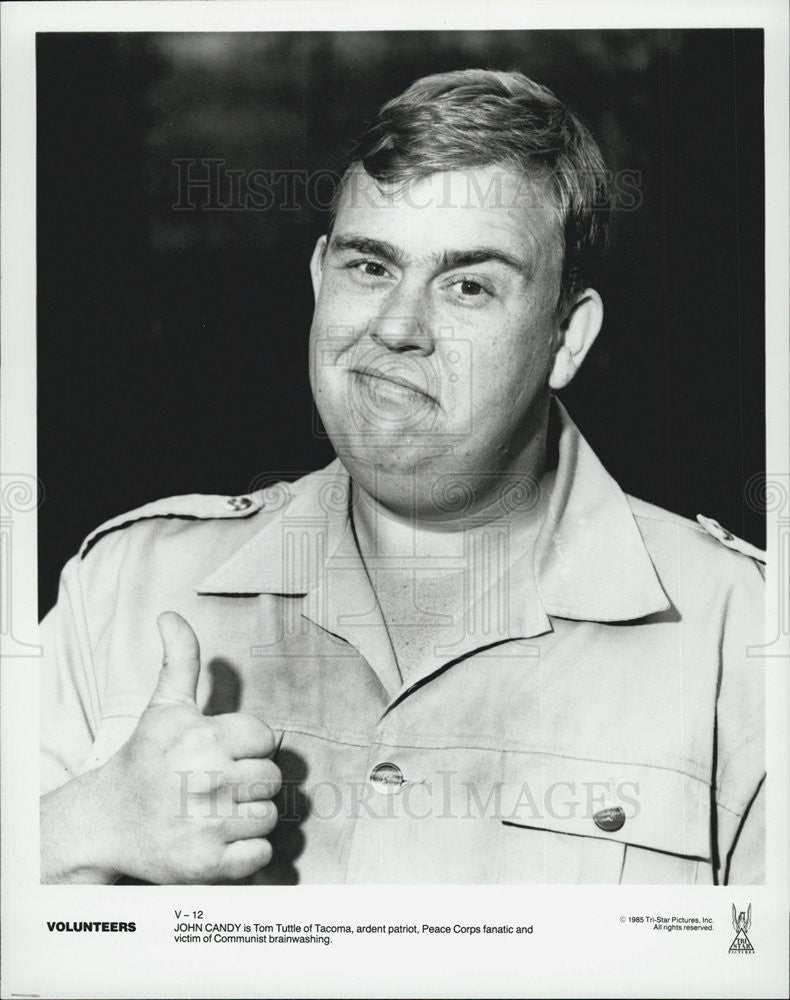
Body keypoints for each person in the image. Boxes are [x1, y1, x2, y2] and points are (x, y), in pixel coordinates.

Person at [40, 69, 765, 885]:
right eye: (371, 267)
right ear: (320, 279)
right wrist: (78, 829)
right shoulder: (126, 593)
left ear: (567, 337)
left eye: (468, 285)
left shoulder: (741, 643)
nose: (396, 326)